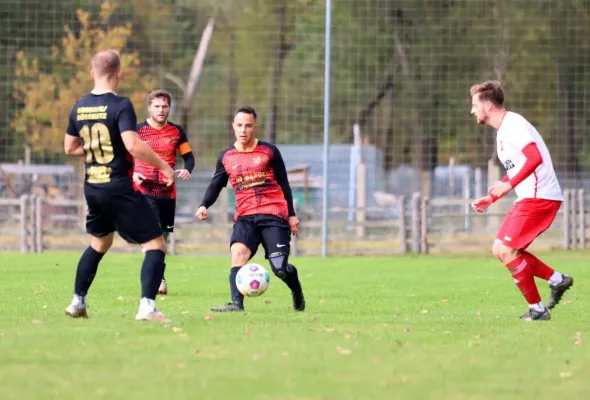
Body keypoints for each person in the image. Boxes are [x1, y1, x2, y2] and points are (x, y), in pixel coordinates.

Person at [63, 50, 174, 322]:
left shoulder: (79, 106)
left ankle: (78, 301)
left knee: (100, 242)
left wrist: (99, 149)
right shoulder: (121, 105)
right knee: (156, 245)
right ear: (118, 74)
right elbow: (133, 145)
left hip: (93, 187)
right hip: (118, 186)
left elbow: (70, 147)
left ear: (92, 73)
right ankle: (148, 307)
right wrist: (164, 166)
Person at [469, 80, 573, 321]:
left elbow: (534, 157)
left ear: (487, 105)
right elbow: (517, 167)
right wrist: (492, 197)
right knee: (500, 249)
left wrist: (508, 184)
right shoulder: (504, 130)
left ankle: (537, 309)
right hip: (530, 197)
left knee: (507, 250)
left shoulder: (513, 125)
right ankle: (558, 280)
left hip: (540, 197)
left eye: (475, 104)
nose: (472, 110)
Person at [195, 106, 305, 312]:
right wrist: (204, 205)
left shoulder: (269, 151)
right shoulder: (226, 156)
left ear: (255, 127)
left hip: (273, 214)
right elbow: (216, 184)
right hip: (245, 217)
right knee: (238, 253)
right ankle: (237, 304)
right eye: (239, 125)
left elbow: (284, 183)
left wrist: (291, 215)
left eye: (248, 125)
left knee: (280, 269)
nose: (243, 130)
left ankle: (296, 289)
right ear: (233, 127)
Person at [132, 90, 195, 295]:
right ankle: (157, 278)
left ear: (169, 108)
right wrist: (132, 174)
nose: (161, 110)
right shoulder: (138, 131)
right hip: (144, 188)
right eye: (157, 106)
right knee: (153, 234)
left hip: (167, 192)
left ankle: (157, 273)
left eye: (164, 106)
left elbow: (189, 157)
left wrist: (187, 169)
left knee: (163, 238)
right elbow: (124, 156)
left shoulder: (176, 132)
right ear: (149, 107)